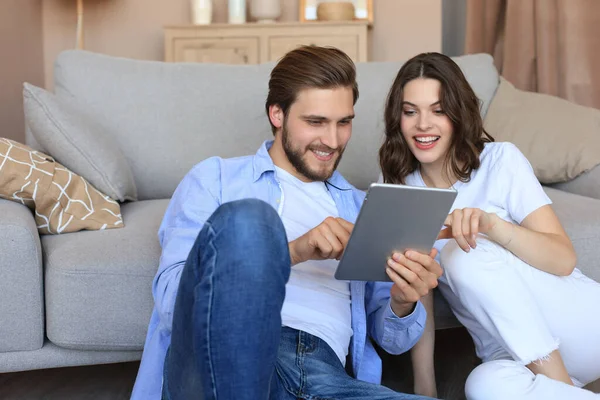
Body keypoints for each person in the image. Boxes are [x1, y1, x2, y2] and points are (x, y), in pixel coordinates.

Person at [130, 45, 443, 400]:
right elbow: (174, 304)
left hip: (326, 378)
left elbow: (392, 340)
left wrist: (404, 300)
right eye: (315, 122)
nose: (332, 140)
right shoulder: (215, 179)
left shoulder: (361, 207)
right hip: (225, 357)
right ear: (277, 114)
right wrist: (292, 251)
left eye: (344, 122)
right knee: (249, 221)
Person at [379, 51, 600, 400]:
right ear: (398, 118)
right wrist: (426, 392)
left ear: (458, 113)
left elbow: (563, 259)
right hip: (506, 352)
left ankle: (557, 385)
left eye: (438, 110)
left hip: (578, 324)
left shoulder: (501, 161)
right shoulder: (399, 187)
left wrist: (491, 226)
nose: (423, 124)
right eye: (411, 112)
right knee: (482, 386)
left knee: (464, 250)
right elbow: (418, 288)